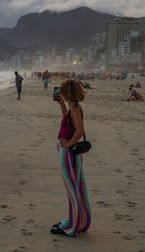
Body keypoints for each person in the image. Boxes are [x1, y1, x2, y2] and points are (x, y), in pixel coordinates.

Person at [52, 79, 91, 237]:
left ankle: (73, 226)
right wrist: (62, 105)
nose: (60, 93)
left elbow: (80, 130)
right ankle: (75, 220)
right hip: (69, 153)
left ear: (67, 92)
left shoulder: (75, 109)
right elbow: (68, 124)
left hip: (68, 154)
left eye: (62, 91)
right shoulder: (73, 107)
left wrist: (68, 146)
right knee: (75, 187)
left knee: (72, 189)